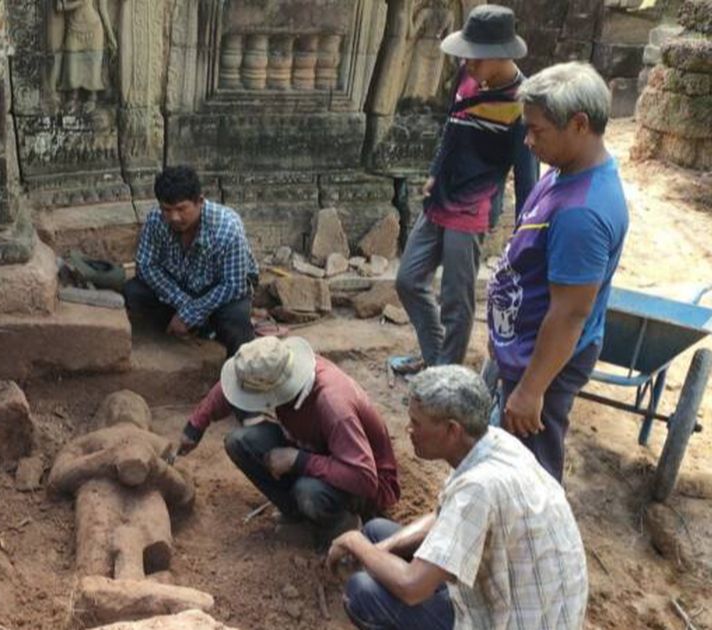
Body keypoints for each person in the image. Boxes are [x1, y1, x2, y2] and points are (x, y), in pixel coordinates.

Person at [329, 366, 588, 630]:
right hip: (524, 598)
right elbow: (444, 516)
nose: (408, 429)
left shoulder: (478, 488)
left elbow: (411, 587)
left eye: (417, 423)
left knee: (362, 592)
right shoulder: (493, 443)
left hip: (514, 620)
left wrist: (355, 542)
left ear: (452, 429)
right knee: (376, 533)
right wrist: (377, 551)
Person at [487, 61, 628, 481]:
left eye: (537, 130)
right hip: (522, 349)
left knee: (528, 474)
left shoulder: (582, 214)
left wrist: (531, 391)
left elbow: (569, 314)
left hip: (542, 363)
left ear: (579, 124)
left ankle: (529, 544)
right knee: (503, 456)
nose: (527, 141)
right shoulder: (565, 172)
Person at [391, 4, 539, 375]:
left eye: (476, 58)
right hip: (439, 199)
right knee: (408, 280)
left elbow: (526, 176)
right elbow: (451, 128)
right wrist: (434, 172)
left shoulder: (522, 106)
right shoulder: (466, 78)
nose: (468, 64)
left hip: (472, 210)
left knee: (456, 302)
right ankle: (436, 356)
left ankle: (446, 379)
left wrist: (525, 234)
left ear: (501, 55)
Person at [177, 336, 400, 548]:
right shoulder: (281, 364)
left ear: (276, 391)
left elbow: (364, 478)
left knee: (309, 491)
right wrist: (195, 426)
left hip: (363, 485)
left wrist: (299, 461)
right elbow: (238, 382)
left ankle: (340, 528)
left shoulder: (333, 404)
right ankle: (299, 516)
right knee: (240, 442)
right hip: (313, 449)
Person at [125, 165, 259, 358]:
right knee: (134, 292)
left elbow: (233, 285)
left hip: (218, 290)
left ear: (200, 202)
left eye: (181, 209)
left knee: (238, 325)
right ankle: (203, 328)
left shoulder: (228, 226)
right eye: (166, 209)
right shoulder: (156, 220)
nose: (174, 217)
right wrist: (185, 306)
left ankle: (235, 378)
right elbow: (146, 266)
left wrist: (188, 314)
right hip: (180, 287)